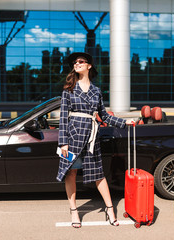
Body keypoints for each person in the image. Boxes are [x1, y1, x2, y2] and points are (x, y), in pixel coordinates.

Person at [56, 52, 134, 228]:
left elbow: (104, 116)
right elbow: (62, 118)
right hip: (73, 136)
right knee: (71, 173)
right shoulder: (68, 89)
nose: (77, 64)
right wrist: (63, 142)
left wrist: (124, 122)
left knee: (99, 175)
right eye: (75, 62)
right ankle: (74, 211)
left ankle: (110, 209)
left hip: (92, 138)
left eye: (81, 61)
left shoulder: (96, 91)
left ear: (89, 66)